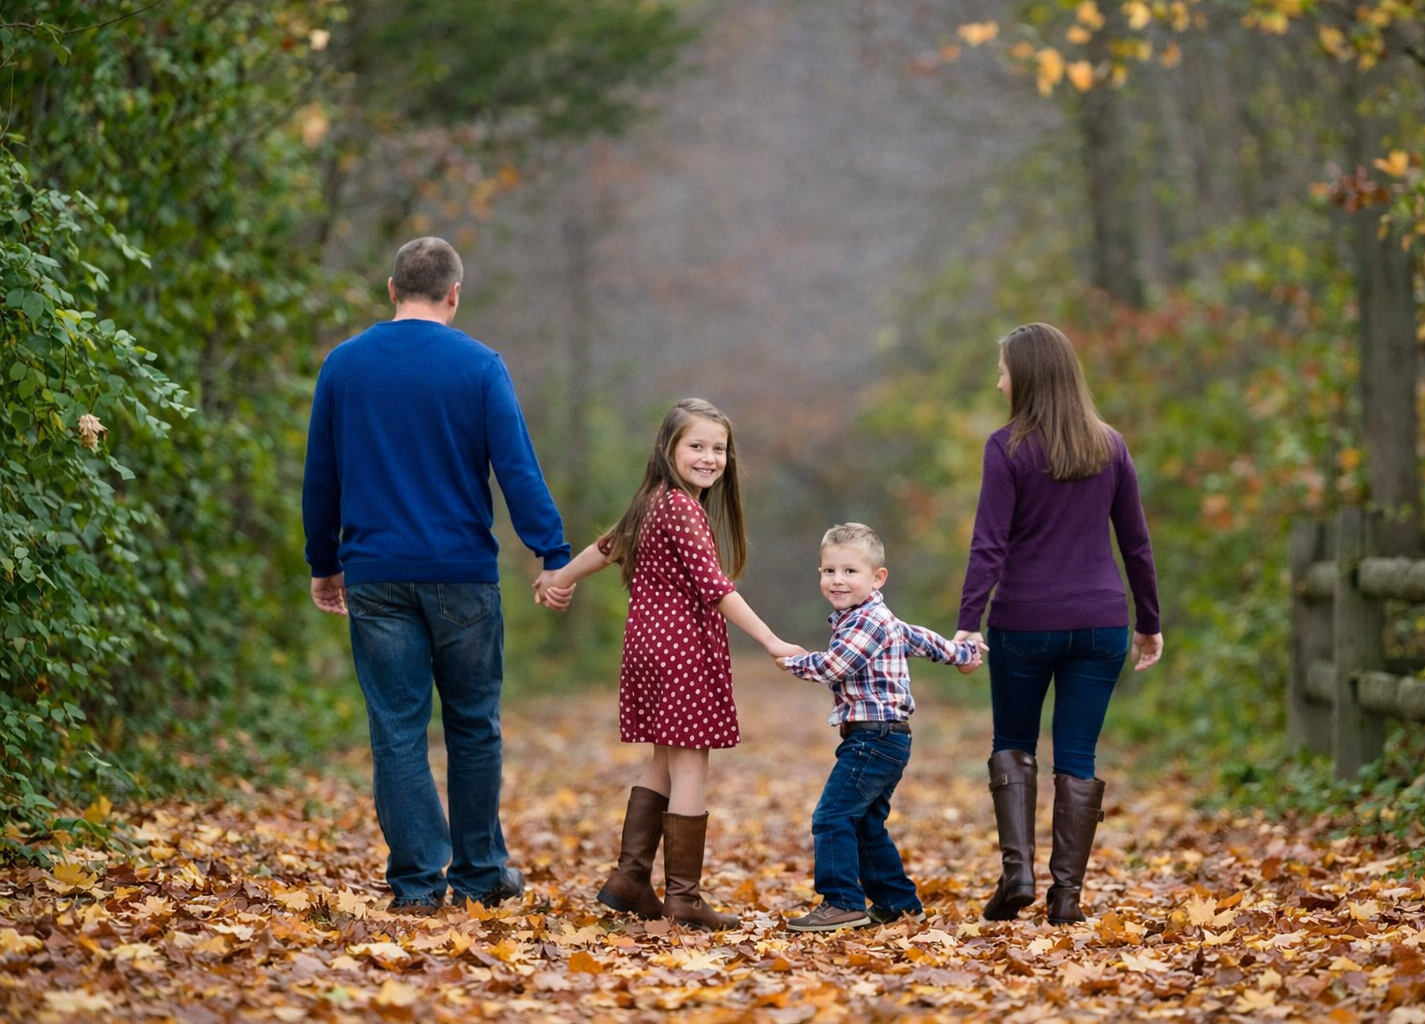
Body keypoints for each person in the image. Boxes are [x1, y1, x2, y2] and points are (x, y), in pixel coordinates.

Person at [302, 237, 571, 915]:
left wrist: (323, 563)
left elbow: (321, 477)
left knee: (397, 728)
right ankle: (480, 875)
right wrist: (552, 551)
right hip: (462, 575)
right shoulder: (480, 366)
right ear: (454, 294)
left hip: (376, 574)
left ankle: (418, 884)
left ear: (392, 289)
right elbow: (516, 468)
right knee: (474, 723)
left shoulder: (344, 365)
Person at [535, 397, 803, 931]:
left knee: (663, 758)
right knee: (689, 763)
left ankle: (629, 879)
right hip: (680, 649)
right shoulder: (681, 507)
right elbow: (714, 587)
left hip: (648, 646)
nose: (709, 457)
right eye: (696, 446)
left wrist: (560, 577)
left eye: (718, 448)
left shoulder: (653, 500)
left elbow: (607, 547)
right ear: (668, 448)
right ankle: (684, 895)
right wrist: (771, 639)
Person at [954, 322, 1163, 926]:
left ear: (1029, 376)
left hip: (1024, 623)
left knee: (1013, 744)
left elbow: (987, 544)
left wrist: (970, 621)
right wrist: (1148, 621)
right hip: (1101, 624)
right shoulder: (1110, 445)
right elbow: (1137, 545)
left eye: (1003, 369)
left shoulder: (1007, 447)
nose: (998, 380)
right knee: (1078, 754)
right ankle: (1066, 895)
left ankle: (1017, 871)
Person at [774, 524, 984, 932]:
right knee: (866, 821)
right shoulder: (873, 617)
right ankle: (898, 904)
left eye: (850, 571)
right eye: (829, 570)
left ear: (877, 577)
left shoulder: (866, 622)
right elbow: (920, 639)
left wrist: (792, 661)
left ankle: (842, 901)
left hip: (875, 737)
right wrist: (961, 653)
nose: (837, 580)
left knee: (832, 815)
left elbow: (835, 665)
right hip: (882, 737)